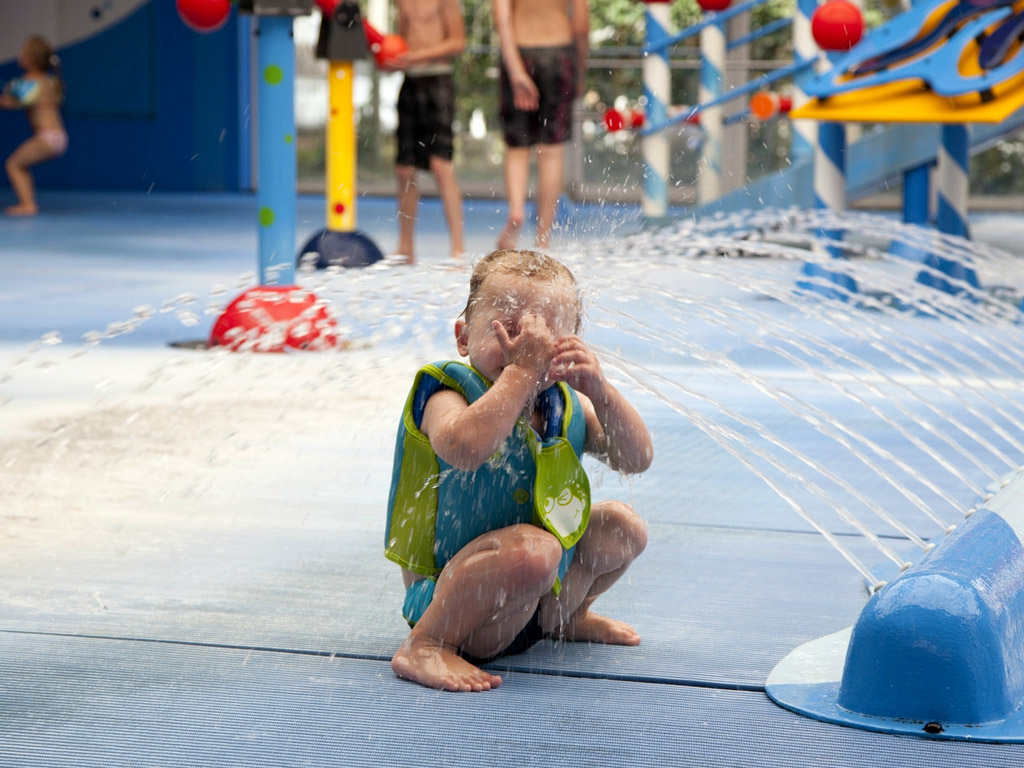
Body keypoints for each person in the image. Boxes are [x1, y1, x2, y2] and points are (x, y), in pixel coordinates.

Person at [385, 248, 653, 692]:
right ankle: (426, 644)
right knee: (535, 552)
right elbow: (466, 447)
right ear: (463, 337)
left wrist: (601, 391)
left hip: (541, 600)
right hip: (461, 606)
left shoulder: (566, 406)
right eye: (509, 330)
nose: (526, 345)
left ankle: (570, 617)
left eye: (545, 335)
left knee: (625, 526)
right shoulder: (447, 394)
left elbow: (636, 459)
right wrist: (521, 372)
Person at [493, 0, 588, 250]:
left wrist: (515, 72)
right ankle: (543, 240)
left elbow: (502, 20)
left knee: (517, 148)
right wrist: (580, 70)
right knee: (551, 153)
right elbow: (580, 26)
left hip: (519, 53)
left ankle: (516, 212)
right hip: (559, 55)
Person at [387, 0, 466, 263]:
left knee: (441, 166)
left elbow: (457, 42)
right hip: (410, 81)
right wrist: (391, 59)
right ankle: (406, 247)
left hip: (438, 81)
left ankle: (458, 248)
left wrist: (415, 57)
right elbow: (402, 42)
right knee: (404, 169)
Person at [0, 36, 67, 217]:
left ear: (28, 59)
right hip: (59, 137)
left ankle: (28, 204)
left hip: (46, 138)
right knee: (21, 165)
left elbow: (10, 103)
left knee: (13, 164)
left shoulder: (28, 82)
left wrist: (8, 95)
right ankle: (28, 202)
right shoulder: (51, 82)